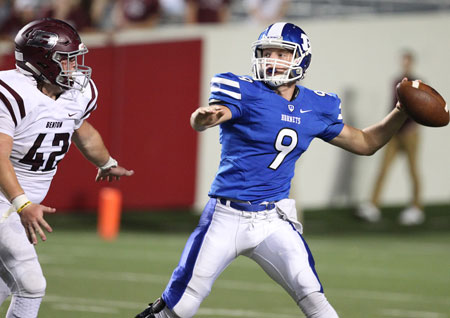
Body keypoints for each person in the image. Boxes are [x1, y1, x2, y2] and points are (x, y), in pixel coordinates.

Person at [135, 22, 410, 318]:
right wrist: (203, 118)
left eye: (281, 53)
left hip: (272, 219)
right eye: (267, 52)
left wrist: (400, 112)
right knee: (181, 305)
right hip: (226, 216)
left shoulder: (317, 106)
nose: (271, 60)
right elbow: (213, 115)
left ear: (300, 59)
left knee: (314, 297)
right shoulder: (243, 91)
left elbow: (367, 142)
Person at [0, 18, 134, 317]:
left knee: (6, 284)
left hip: (17, 203)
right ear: (40, 61)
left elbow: (81, 129)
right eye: (66, 59)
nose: (74, 67)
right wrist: (22, 204)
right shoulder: (10, 93)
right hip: (4, 199)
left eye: (75, 59)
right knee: (31, 286)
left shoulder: (75, 93)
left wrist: (106, 162)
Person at [356, 51, 424, 225]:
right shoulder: (396, 82)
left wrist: (411, 127)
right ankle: (373, 205)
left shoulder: (418, 83)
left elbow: (421, 109)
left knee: (413, 169)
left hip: (410, 132)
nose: (405, 64)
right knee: (383, 168)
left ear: (412, 63)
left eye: (408, 61)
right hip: (395, 132)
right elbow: (393, 106)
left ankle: (416, 207)